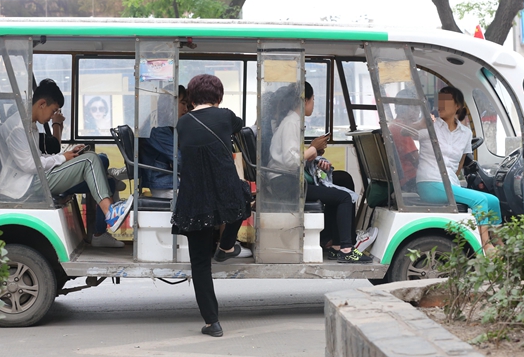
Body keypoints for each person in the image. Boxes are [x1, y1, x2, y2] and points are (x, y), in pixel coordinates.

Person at [0, 79, 133, 237]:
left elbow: (36, 158)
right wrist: (61, 158)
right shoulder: (18, 128)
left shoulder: (29, 125)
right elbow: (29, 165)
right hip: (25, 185)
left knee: (91, 158)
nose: (52, 116)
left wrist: (65, 156)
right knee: (91, 160)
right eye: (53, 110)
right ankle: (111, 212)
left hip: (33, 179)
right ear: (42, 104)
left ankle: (108, 210)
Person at [171, 74, 250, 338]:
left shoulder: (182, 123)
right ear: (219, 97)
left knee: (199, 263)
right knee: (242, 200)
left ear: (190, 99)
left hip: (194, 197)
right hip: (226, 192)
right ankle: (227, 245)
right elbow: (240, 127)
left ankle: (212, 322)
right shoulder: (226, 116)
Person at [268, 82, 371, 264]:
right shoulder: (291, 122)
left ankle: (335, 244)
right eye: (313, 99)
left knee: (338, 189)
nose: (313, 103)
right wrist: (313, 148)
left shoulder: (291, 121)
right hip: (286, 183)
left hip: (287, 180)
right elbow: (292, 162)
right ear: (304, 100)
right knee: (344, 198)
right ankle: (346, 249)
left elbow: (293, 158)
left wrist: (315, 153)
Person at [415, 86, 501, 255]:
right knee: (479, 201)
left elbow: (458, 166)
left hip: (448, 184)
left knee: (493, 201)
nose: (440, 104)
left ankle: (499, 243)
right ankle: (486, 246)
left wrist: (455, 186)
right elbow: (403, 131)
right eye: (439, 101)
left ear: (457, 106)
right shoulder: (430, 127)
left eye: (445, 101)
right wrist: (422, 121)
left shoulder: (466, 134)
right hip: (429, 182)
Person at [139, 85, 190, 198]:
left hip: (166, 179)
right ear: (170, 103)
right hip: (164, 183)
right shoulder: (158, 128)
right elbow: (180, 159)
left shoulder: (161, 122)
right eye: (183, 103)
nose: (186, 109)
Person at [389, 88, 421, 193]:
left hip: (405, 179)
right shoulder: (402, 130)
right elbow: (417, 161)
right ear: (406, 108)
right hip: (409, 181)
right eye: (415, 108)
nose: (418, 113)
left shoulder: (394, 125)